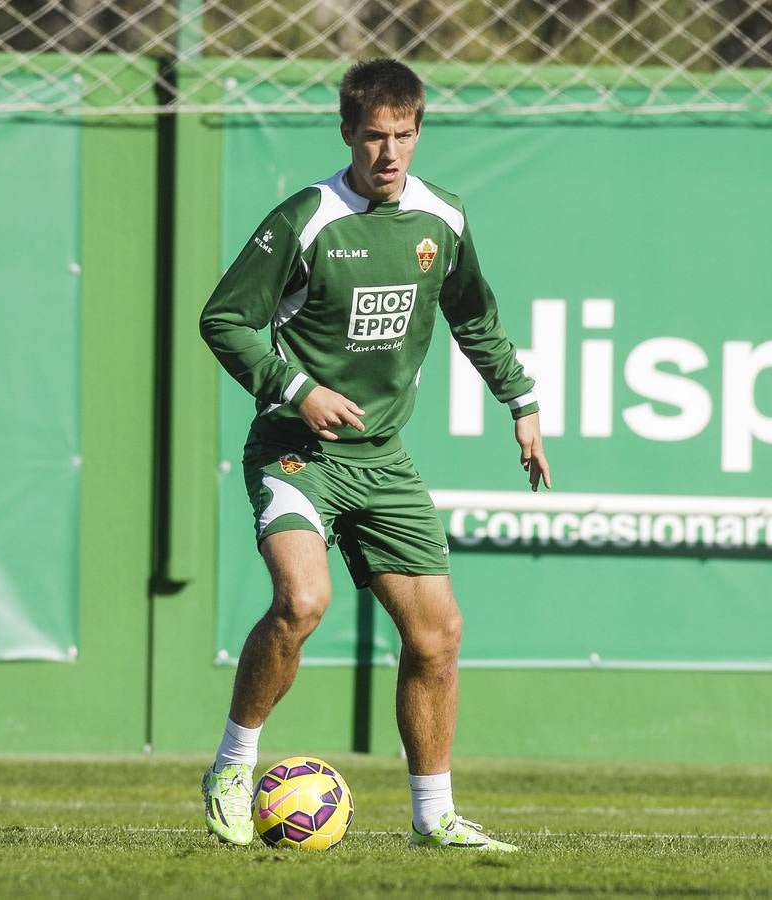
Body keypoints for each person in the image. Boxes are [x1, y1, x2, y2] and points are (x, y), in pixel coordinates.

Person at [198, 57, 550, 852]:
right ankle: (232, 763)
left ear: (418, 132)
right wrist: (295, 388)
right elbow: (223, 320)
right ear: (346, 134)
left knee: (438, 635)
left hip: (383, 460)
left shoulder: (443, 220)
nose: (387, 155)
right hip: (298, 451)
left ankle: (433, 818)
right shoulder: (306, 218)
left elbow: (475, 320)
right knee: (303, 601)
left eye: (403, 137)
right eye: (372, 139)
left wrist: (521, 405)